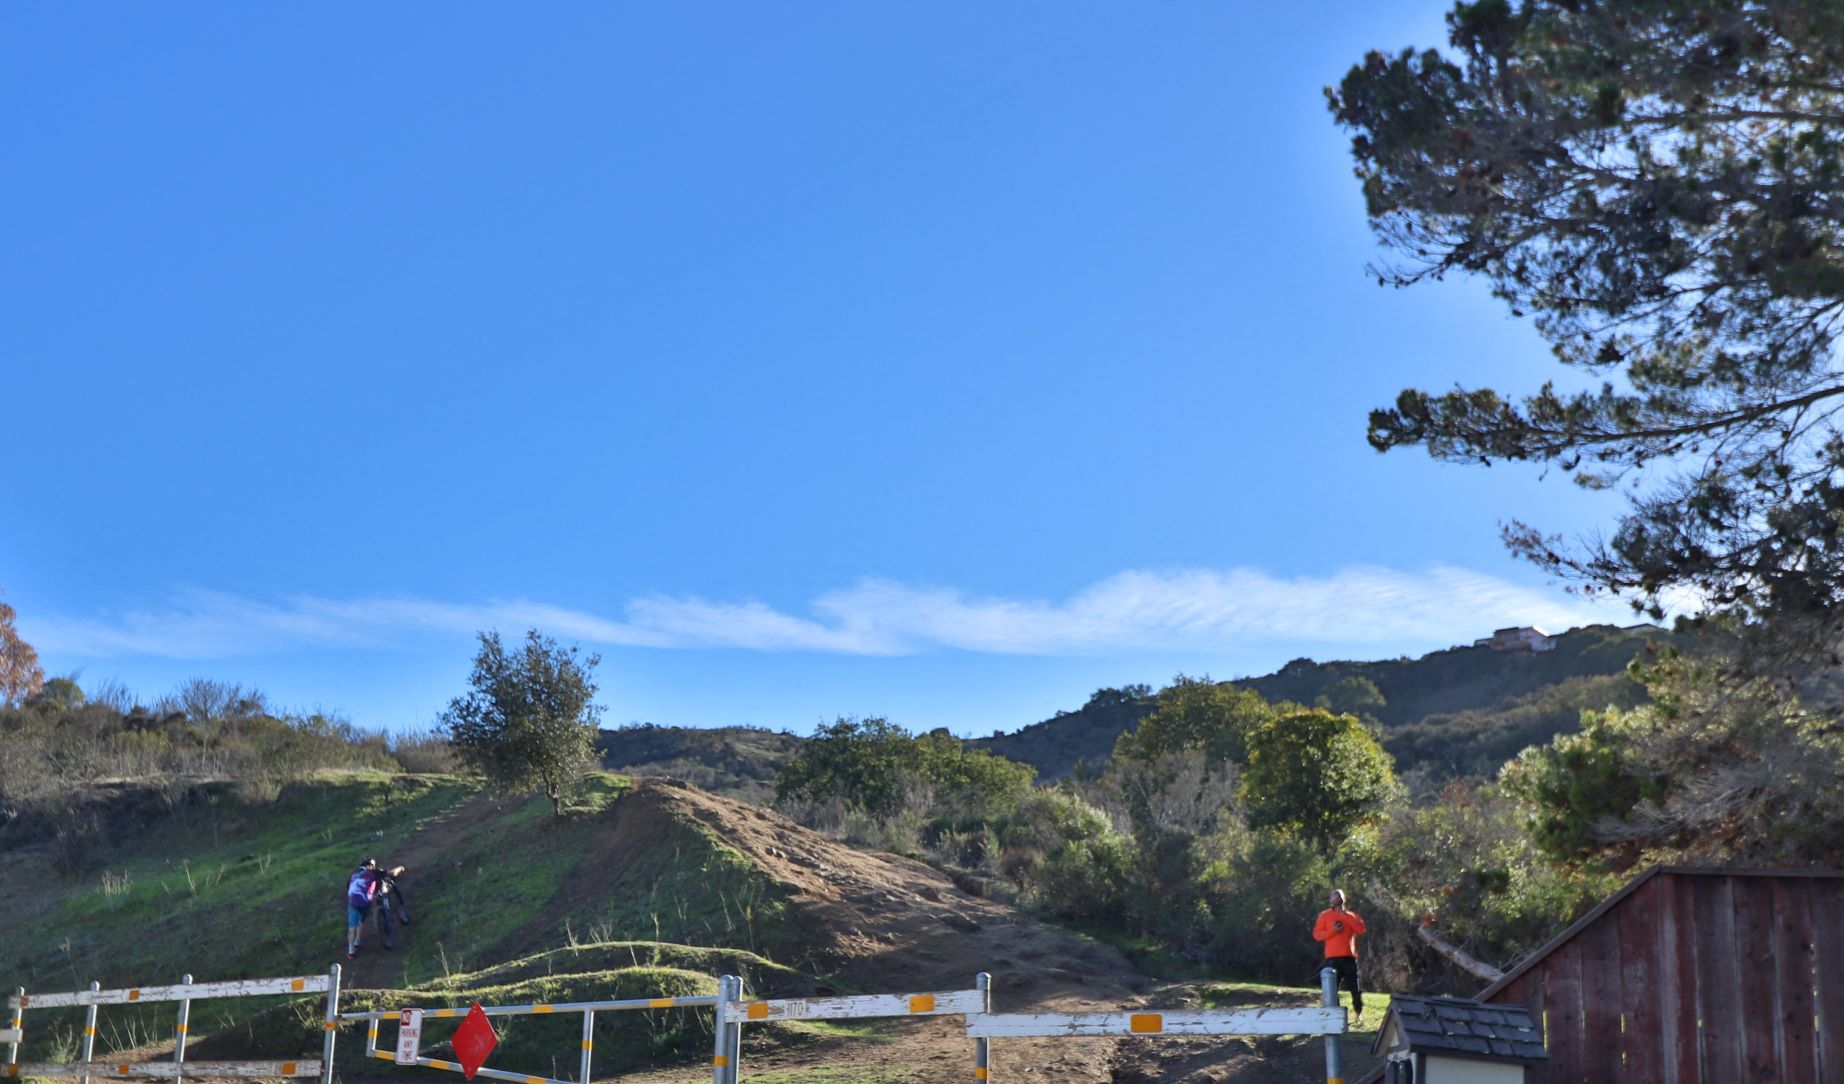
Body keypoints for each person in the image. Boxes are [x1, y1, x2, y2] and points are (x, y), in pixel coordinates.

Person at [1313, 888, 1368, 1019]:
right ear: (1330, 900)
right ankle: (1335, 1014)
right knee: (1332, 989)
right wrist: (1333, 931)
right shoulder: (1324, 916)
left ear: (1344, 898)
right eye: (1333, 895)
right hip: (1331, 958)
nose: (1336, 897)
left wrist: (1345, 917)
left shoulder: (1351, 916)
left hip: (1348, 957)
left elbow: (1361, 929)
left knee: (1355, 987)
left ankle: (1358, 1012)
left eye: (1338, 895)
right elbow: (1317, 935)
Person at [345, 858, 380, 959]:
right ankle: (358, 941)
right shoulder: (372, 874)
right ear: (369, 866)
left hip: (353, 902)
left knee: (351, 928)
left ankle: (351, 950)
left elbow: (348, 886)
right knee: (361, 922)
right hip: (365, 902)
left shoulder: (353, 875)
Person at [373, 865, 411, 950]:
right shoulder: (377, 872)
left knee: (382, 899)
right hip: (380, 890)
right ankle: (399, 911)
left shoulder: (362, 875)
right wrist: (401, 868)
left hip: (375, 893)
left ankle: (389, 913)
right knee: (393, 890)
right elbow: (392, 872)